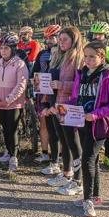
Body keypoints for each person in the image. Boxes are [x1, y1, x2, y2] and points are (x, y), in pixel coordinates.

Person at [66, 40, 109, 217]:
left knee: (87, 160)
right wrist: (66, 108)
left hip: (99, 126)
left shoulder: (108, 76)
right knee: (93, 161)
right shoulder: (81, 74)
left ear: (102, 57)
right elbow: (76, 96)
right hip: (82, 123)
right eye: (86, 56)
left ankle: (88, 200)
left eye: (92, 56)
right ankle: (95, 196)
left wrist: (97, 114)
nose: (88, 60)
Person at [42, 26, 84, 196]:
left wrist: (62, 86)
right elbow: (49, 80)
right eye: (60, 39)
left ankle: (79, 181)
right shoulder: (57, 56)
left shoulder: (78, 58)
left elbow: (81, 84)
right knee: (63, 141)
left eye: (65, 39)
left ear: (74, 40)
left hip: (69, 106)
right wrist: (46, 104)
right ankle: (67, 173)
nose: (61, 42)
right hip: (56, 105)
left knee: (74, 143)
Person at [0, 32, 28, 172]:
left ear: (13, 49)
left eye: (6, 48)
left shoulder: (20, 64)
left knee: (12, 130)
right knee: (5, 129)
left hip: (14, 104)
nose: (3, 51)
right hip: (0, 103)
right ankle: (8, 151)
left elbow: (21, 85)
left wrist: (8, 100)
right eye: (1, 48)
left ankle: (14, 157)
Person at [87, 21, 109, 168]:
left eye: (99, 34)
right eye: (94, 34)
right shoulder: (86, 49)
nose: (96, 37)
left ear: (106, 36)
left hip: (107, 87)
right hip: (91, 88)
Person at [32, 25, 63, 169]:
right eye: (47, 38)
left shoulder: (66, 54)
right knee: (44, 124)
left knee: (61, 126)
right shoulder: (42, 54)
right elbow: (35, 72)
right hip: (43, 94)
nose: (49, 41)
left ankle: (62, 156)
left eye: (52, 37)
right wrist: (34, 87)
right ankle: (45, 153)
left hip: (60, 94)